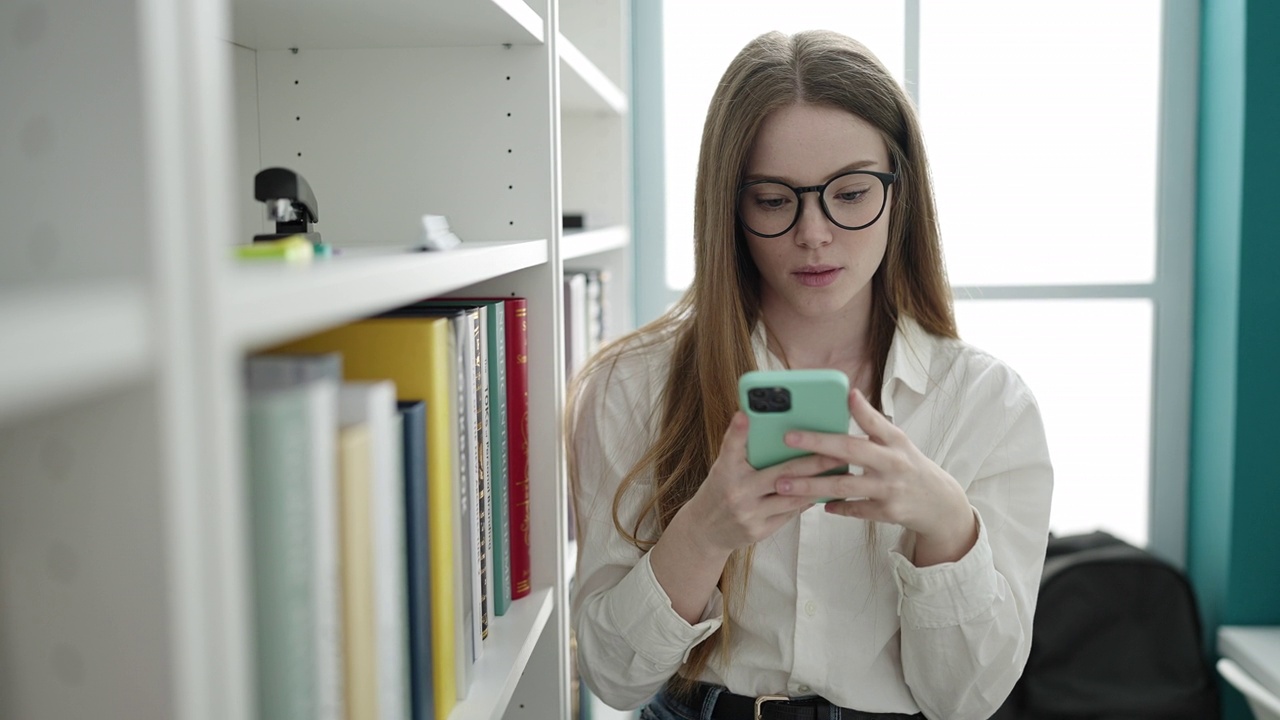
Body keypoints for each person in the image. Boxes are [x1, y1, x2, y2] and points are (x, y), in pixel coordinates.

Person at [567, 29, 1053, 720]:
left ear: (899, 193)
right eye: (773, 200)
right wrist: (703, 532)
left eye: (851, 194)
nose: (815, 233)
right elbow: (612, 678)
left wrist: (945, 524)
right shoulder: (632, 385)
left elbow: (966, 702)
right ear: (728, 207)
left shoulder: (987, 404)